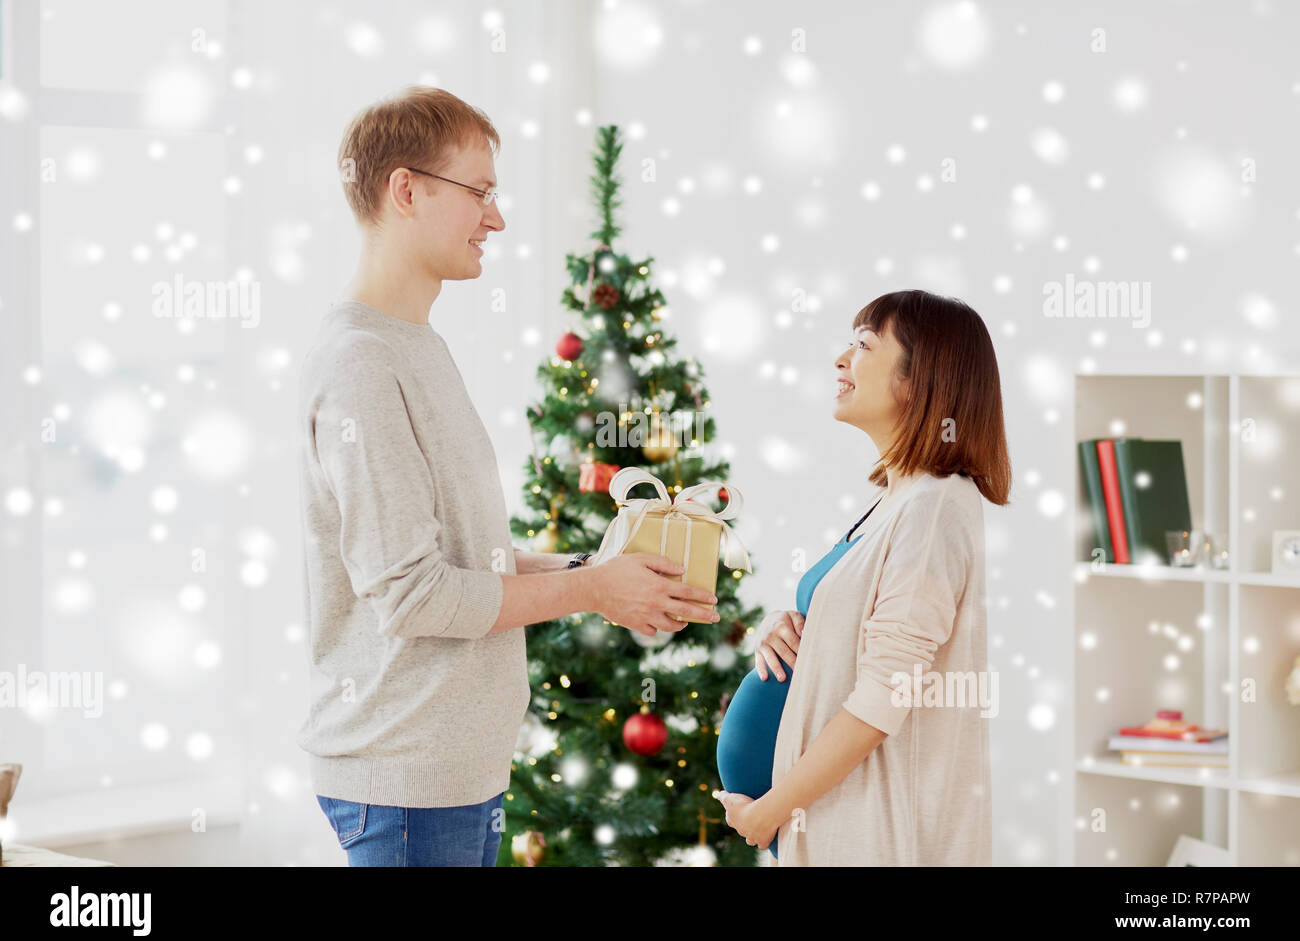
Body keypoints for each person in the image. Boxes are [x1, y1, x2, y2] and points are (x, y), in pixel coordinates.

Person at [297, 87, 719, 867]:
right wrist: (594, 592)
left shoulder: (413, 344)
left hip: (448, 776)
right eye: (481, 192)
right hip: (407, 785)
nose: (497, 219)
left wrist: (603, 573)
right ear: (406, 189)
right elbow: (415, 594)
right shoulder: (361, 364)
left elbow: (464, 559)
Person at [716, 289, 1011, 865]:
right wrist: (790, 625)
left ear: (919, 377)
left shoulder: (933, 508)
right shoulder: (896, 501)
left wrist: (771, 809)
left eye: (863, 345)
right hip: (833, 821)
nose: (840, 359)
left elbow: (884, 697)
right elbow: (862, 638)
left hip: (872, 831)